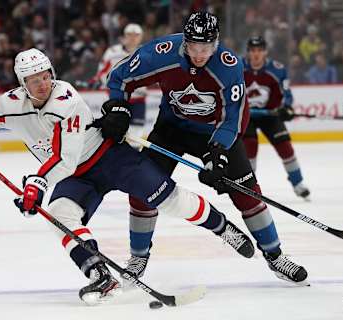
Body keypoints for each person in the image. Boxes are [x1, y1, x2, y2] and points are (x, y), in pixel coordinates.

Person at [0, 48, 254, 305]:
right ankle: (99, 273)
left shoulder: (65, 99)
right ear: (23, 84)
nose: (44, 83)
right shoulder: (11, 104)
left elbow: (64, 157)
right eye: (35, 80)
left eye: (47, 75)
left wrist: (37, 182)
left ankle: (222, 226)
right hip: (77, 177)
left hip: (110, 158)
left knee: (169, 200)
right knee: (61, 215)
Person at [102, 12, 308, 285]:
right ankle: (138, 257)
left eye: (207, 48)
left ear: (216, 43)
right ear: (185, 42)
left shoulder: (229, 65)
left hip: (214, 133)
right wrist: (118, 110)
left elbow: (233, 118)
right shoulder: (159, 53)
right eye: (195, 47)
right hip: (171, 129)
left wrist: (218, 154)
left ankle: (275, 256)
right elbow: (118, 78)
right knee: (143, 191)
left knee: (248, 195)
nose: (200, 54)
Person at [242, 36, 311, 199]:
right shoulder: (237, 67)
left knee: (285, 148)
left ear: (265, 52)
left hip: (270, 115)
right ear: (248, 53)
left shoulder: (277, 69)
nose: (256, 54)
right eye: (253, 51)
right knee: (249, 149)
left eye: (259, 50)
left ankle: (298, 183)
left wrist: (286, 107)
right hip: (246, 116)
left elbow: (287, 93)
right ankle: (249, 188)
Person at [89, 23, 147, 144]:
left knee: (137, 131)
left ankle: (134, 156)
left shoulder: (146, 52)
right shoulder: (113, 52)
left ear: (141, 37)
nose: (132, 38)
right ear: (124, 36)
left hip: (138, 99)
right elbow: (102, 71)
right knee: (116, 130)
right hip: (118, 98)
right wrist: (98, 81)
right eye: (129, 35)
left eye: (136, 35)